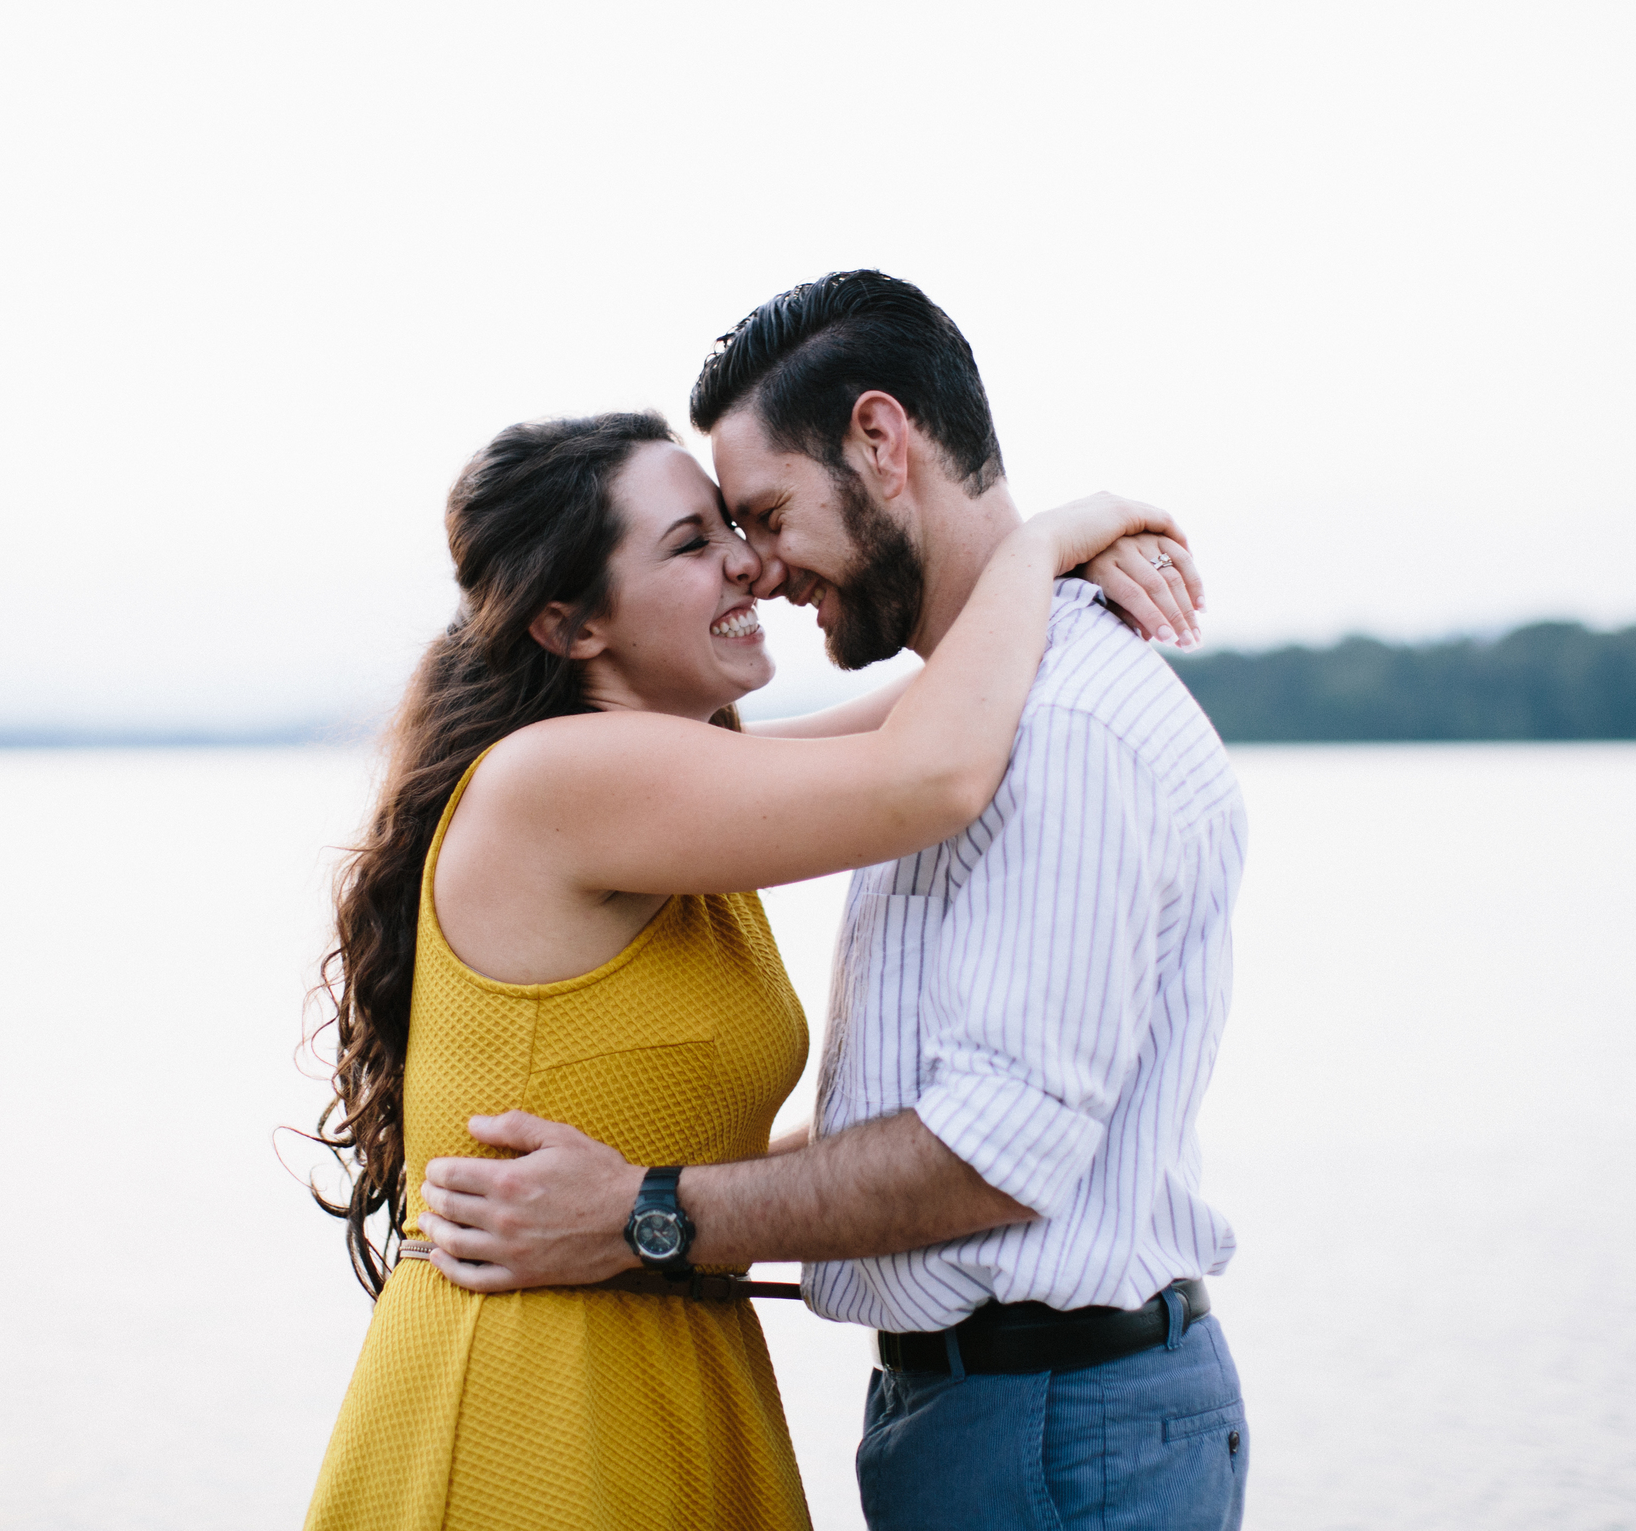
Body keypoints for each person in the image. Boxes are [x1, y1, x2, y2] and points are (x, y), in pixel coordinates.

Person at [416, 272, 1253, 1531]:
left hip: (1046, 1422)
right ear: (569, 620)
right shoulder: (599, 780)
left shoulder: (1055, 729)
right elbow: (923, 759)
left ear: (879, 440)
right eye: (699, 538)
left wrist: (644, 1213)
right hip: (666, 1398)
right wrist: (1045, 542)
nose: (755, 563)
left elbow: (991, 1144)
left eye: (752, 516)